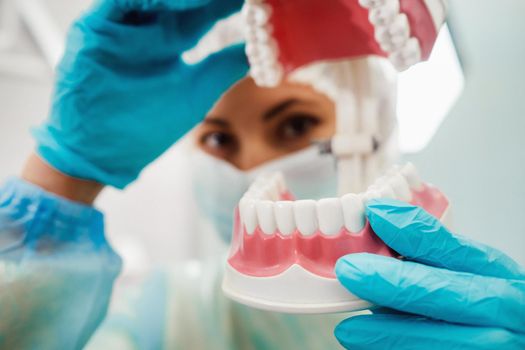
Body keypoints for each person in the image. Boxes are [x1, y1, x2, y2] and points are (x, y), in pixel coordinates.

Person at [0, 0, 523, 349]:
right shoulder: (160, 315)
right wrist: (64, 175)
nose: (250, 165)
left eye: (296, 125)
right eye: (219, 139)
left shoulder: (474, 312)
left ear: (378, 131)